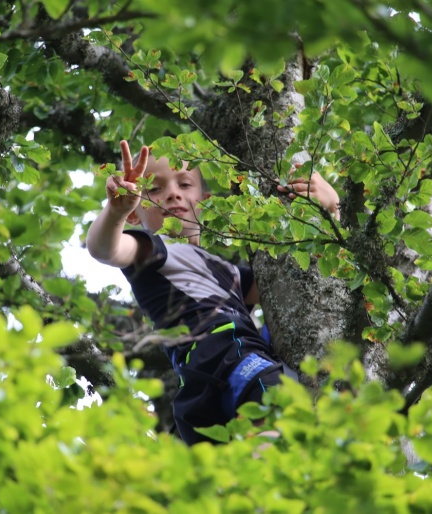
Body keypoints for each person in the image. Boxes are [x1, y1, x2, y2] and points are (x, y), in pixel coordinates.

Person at [87, 140, 339, 445]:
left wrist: (330, 212)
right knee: (282, 417)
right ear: (135, 216)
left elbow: (301, 288)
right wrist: (115, 213)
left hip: (208, 390)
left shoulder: (225, 271)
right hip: (225, 357)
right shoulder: (155, 249)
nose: (173, 193)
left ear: (204, 200)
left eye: (184, 184)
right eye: (154, 189)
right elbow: (106, 249)